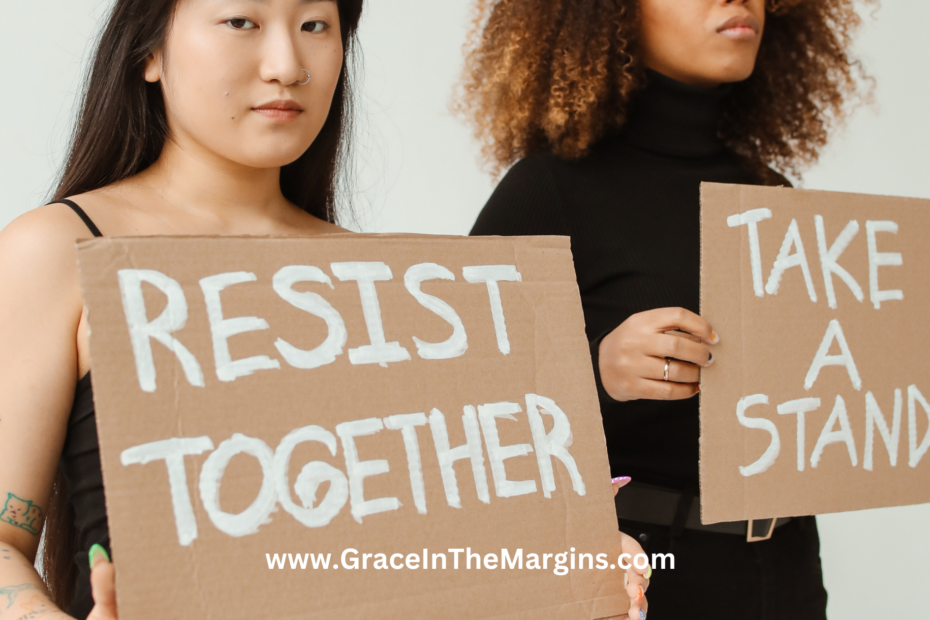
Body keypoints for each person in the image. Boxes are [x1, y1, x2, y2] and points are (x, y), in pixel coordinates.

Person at [0, 1, 649, 619]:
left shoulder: (391, 286)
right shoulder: (57, 250)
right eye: (241, 20)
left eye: (315, 24)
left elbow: (423, 553)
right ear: (148, 50)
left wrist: (569, 564)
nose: (288, 64)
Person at [460, 0, 874, 618]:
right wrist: (596, 371)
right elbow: (456, 411)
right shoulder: (548, 190)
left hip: (787, 571)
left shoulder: (773, 196)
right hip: (638, 581)